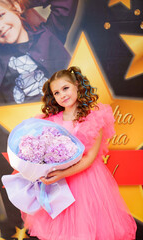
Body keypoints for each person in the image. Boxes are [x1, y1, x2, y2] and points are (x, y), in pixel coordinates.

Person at [21, 66, 137, 240]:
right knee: (63, 231)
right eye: (57, 93)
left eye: (65, 88)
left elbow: (89, 158)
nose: (62, 95)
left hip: (86, 181)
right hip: (59, 186)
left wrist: (61, 173)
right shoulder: (50, 121)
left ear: (76, 85)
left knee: (88, 227)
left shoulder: (94, 116)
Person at [0, 0, 78, 106]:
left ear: (15, 8)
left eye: (1, 15)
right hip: (17, 120)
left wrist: (22, 2)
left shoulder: (49, 34)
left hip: (61, 115)